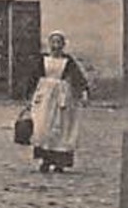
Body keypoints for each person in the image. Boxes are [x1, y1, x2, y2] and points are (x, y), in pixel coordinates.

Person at [22, 31, 89, 173]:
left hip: (63, 96)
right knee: (43, 127)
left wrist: (83, 92)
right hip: (44, 95)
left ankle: (60, 162)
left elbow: (78, 78)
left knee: (62, 129)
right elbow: (33, 78)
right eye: (53, 42)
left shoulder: (68, 61)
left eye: (59, 42)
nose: (56, 46)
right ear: (49, 44)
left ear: (63, 45)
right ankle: (45, 160)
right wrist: (29, 96)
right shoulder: (42, 60)